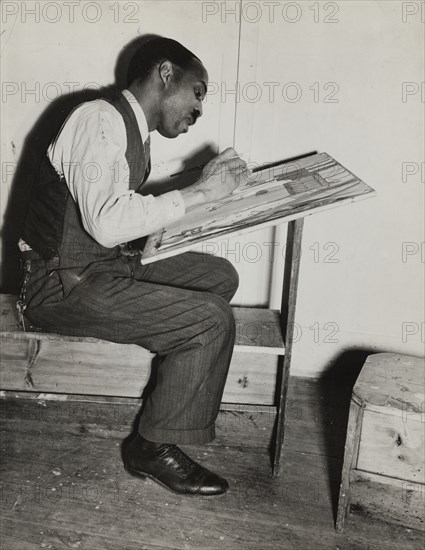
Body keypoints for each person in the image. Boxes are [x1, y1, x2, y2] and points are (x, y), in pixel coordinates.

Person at [18, 37, 249, 496]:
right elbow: (106, 224)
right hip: (57, 285)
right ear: (166, 73)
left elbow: (117, 219)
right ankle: (151, 446)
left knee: (222, 276)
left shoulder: (129, 130)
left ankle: (174, 385)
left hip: (101, 267)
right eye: (198, 92)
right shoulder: (98, 119)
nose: (200, 110)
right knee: (210, 321)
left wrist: (207, 196)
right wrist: (201, 193)